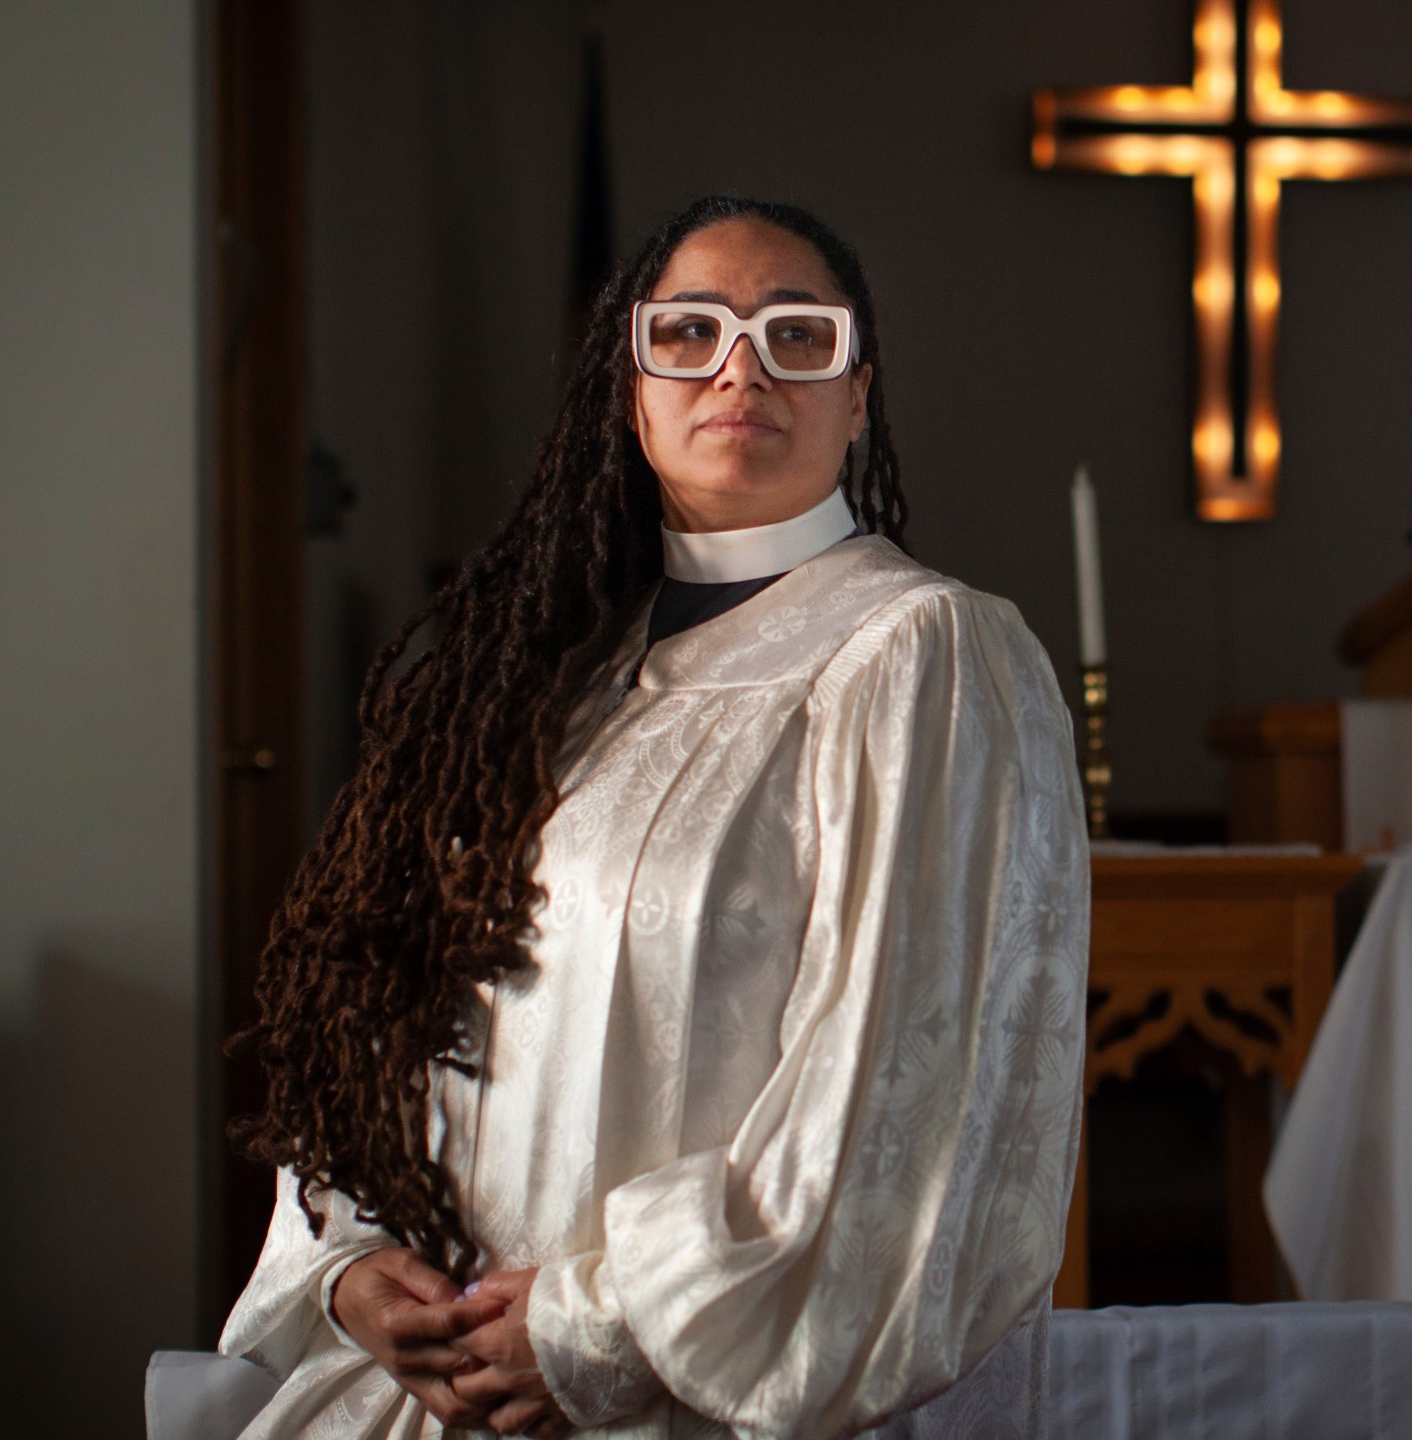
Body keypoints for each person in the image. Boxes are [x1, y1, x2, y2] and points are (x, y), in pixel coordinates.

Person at [218, 195, 1090, 1439]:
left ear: (857, 393)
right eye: (690, 331)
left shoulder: (921, 656)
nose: (740, 366)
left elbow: (911, 1108)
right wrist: (351, 1264)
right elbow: (385, 1002)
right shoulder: (535, 680)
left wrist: (593, 1325)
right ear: (629, 386)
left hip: (692, 1404)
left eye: (800, 335)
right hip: (435, 1394)